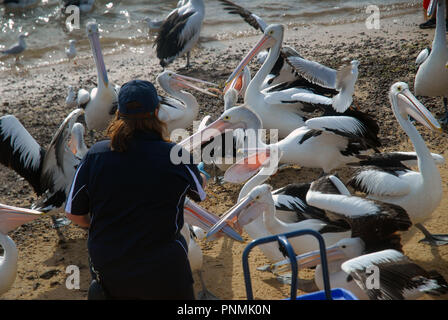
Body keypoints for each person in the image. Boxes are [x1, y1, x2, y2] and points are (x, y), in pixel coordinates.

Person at [65, 79, 208, 300]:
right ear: (157, 112)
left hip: (112, 268)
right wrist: (199, 174)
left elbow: (73, 214)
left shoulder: (95, 155)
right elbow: (200, 193)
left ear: (118, 114)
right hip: (165, 269)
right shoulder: (175, 154)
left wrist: (108, 226)